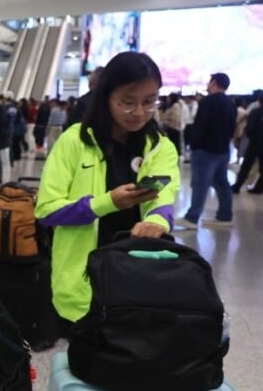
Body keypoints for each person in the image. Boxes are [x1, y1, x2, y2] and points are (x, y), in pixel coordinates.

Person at [35, 52, 178, 323]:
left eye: (149, 102)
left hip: (140, 276)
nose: (138, 112)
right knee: (87, 357)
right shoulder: (74, 142)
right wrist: (106, 202)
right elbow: (46, 210)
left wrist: (157, 219)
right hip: (83, 280)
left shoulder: (160, 146)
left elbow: (164, 197)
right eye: (127, 102)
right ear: (105, 98)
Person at [178, 72, 237, 229]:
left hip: (205, 150)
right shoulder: (230, 103)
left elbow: (201, 126)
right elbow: (232, 128)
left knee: (200, 183)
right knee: (221, 183)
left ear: (214, 83)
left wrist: (194, 145)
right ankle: (225, 216)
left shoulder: (208, 102)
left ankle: (192, 218)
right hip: (223, 150)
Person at [232, 94, 263, 194]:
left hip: (254, 143)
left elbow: (249, 128)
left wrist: (252, 137)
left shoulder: (256, 112)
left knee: (246, 166)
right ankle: (259, 188)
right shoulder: (255, 112)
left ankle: (237, 186)